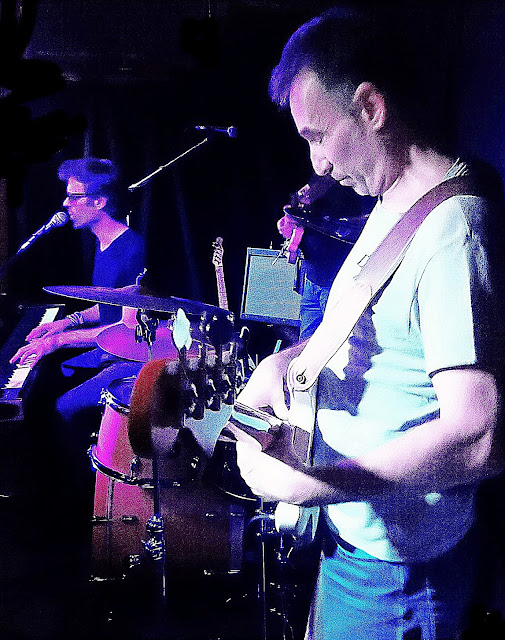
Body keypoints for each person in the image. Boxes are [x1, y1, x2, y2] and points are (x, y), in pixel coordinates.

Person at [232, 8, 505, 640]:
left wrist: (316, 484)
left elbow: (480, 436)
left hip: (395, 574)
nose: (317, 164)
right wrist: (286, 362)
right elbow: (383, 332)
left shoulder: (454, 230)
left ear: (370, 107)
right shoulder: (392, 202)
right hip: (361, 545)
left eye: (318, 136)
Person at [10, 158, 145, 498]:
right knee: (45, 383)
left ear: (99, 202)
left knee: (62, 407)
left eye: (74, 197)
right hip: (105, 349)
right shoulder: (103, 243)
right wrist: (65, 323)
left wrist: (58, 341)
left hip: (129, 360)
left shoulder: (132, 251)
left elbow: (126, 329)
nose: (65, 204)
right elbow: (107, 306)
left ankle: (86, 497)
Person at [277, 175, 372, 339]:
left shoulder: (348, 189)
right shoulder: (312, 190)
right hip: (311, 281)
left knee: (336, 342)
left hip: (335, 285)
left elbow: (359, 226)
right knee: (306, 345)